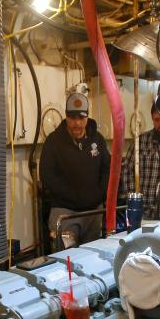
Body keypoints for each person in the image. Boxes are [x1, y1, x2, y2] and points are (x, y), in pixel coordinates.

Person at [40, 92, 111, 248]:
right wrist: (74, 197)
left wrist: (99, 194)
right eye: (72, 118)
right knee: (66, 260)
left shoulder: (97, 139)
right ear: (66, 117)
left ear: (87, 117)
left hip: (93, 213)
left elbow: (107, 168)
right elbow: (47, 175)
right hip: (65, 213)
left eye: (81, 118)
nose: (77, 123)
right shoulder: (54, 142)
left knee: (92, 257)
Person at [121, 96, 160, 221]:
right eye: (157, 120)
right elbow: (127, 172)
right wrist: (135, 202)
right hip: (144, 214)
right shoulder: (140, 142)